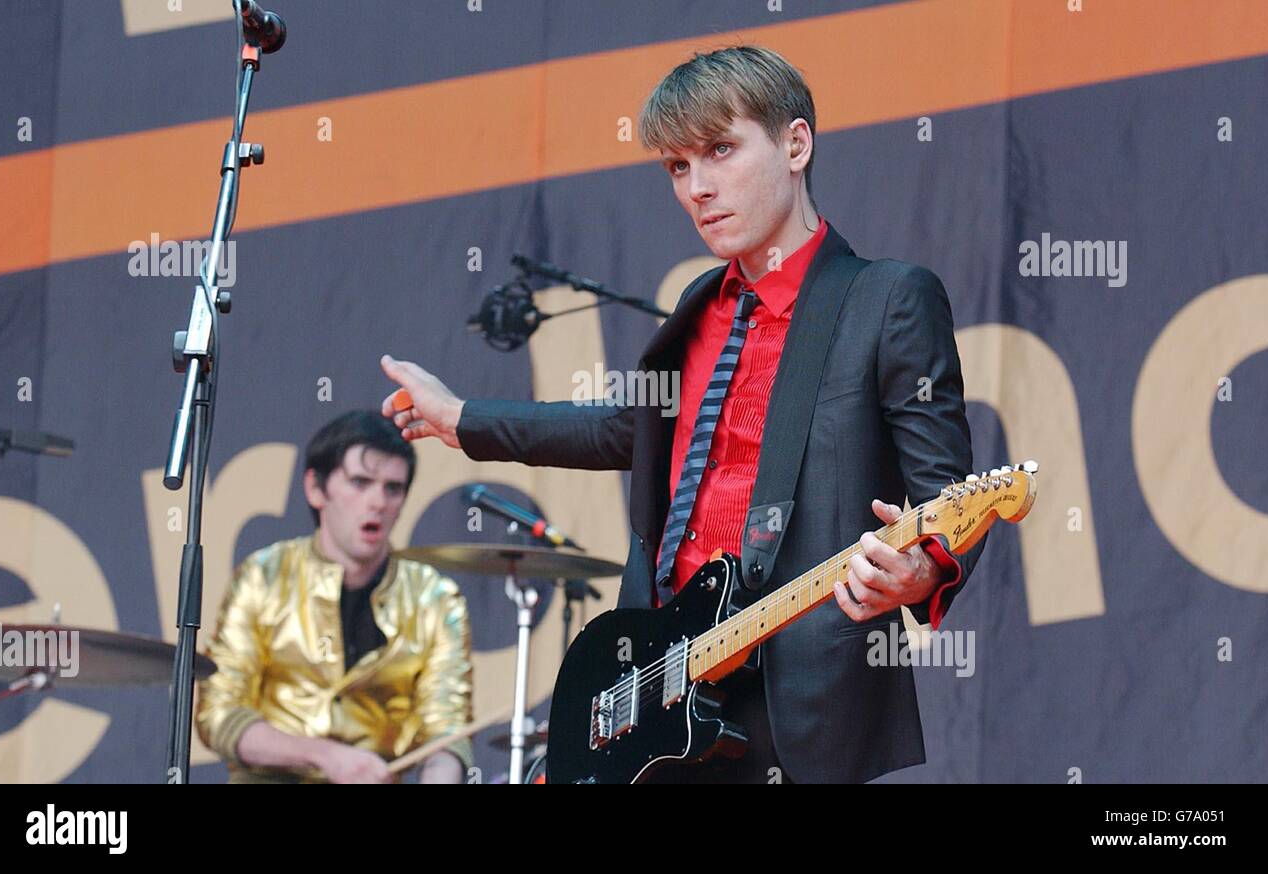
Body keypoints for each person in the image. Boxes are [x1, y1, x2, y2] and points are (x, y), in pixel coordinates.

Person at [380, 46, 983, 783]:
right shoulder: (702, 303)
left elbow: (952, 494)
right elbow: (622, 430)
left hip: (796, 695)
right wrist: (462, 419)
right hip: (664, 683)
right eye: (677, 166)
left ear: (796, 144)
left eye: (720, 151)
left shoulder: (887, 299)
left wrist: (921, 572)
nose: (698, 187)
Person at [196, 411, 472, 783]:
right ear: (316, 488)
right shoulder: (264, 574)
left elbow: (447, 732)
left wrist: (443, 769)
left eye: (393, 488)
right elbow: (219, 715)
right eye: (360, 482)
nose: (378, 501)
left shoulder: (436, 599)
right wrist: (326, 756)